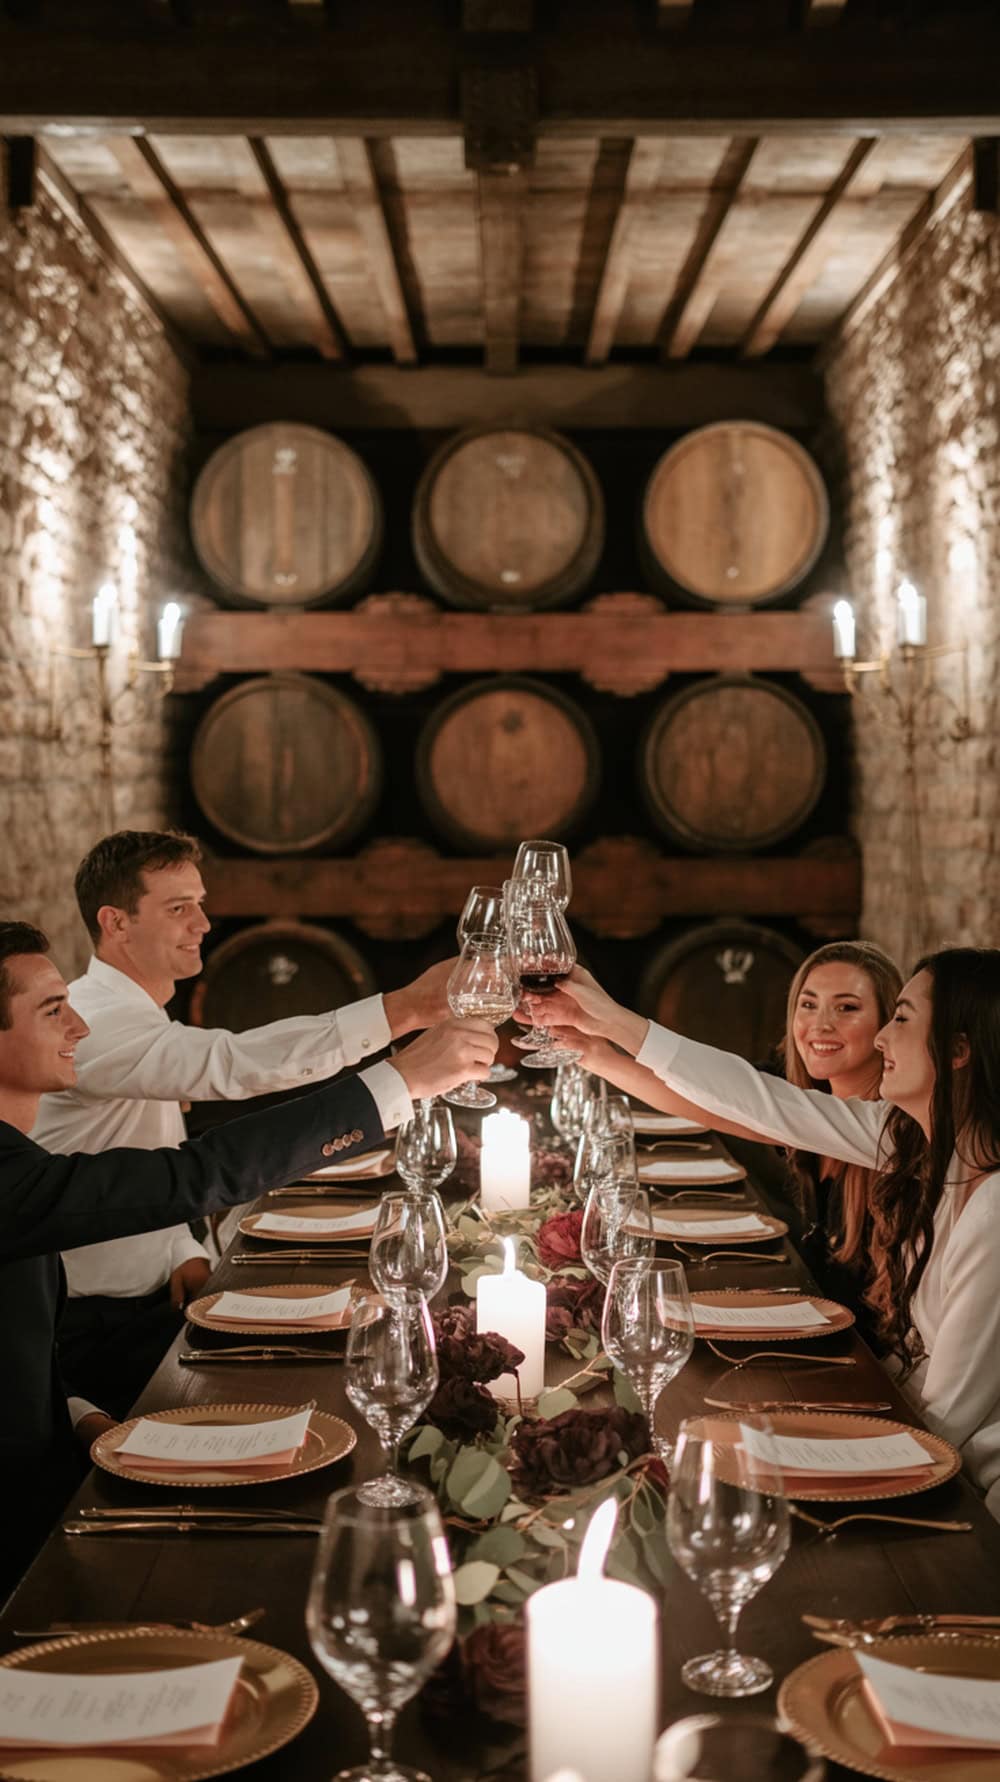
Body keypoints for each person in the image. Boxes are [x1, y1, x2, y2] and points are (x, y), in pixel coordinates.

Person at [0, 920, 496, 1596]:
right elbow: (198, 1171)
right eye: (53, 1010)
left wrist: (79, 1413)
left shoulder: (19, 1163)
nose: (79, 1028)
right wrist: (395, 1082)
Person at [532, 949, 1000, 1518]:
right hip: (916, 1436)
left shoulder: (992, 1203)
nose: (882, 1040)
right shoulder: (919, 1142)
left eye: (900, 1018)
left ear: (958, 1050)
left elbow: (947, 1414)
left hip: (972, 1490)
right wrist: (606, 1032)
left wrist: (808, 1449)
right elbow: (761, 1104)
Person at [33, 829, 459, 1417]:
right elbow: (231, 1063)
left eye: (201, 903)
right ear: (116, 922)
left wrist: (178, 1245)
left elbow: (135, 1151)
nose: (204, 923)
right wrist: (405, 1010)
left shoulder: (133, 1015)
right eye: (179, 907)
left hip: (151, 1297)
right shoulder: (94, 1024)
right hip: (92, 1330)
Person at [722, 940, 902, 1332]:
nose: (820, 1025)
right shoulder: (803, 1097)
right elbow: (712, 1089)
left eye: (847, 1008)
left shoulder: (892, 1132)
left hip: (867, 1368)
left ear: (887, 1025)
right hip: (815, 1330)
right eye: (809, 1004)